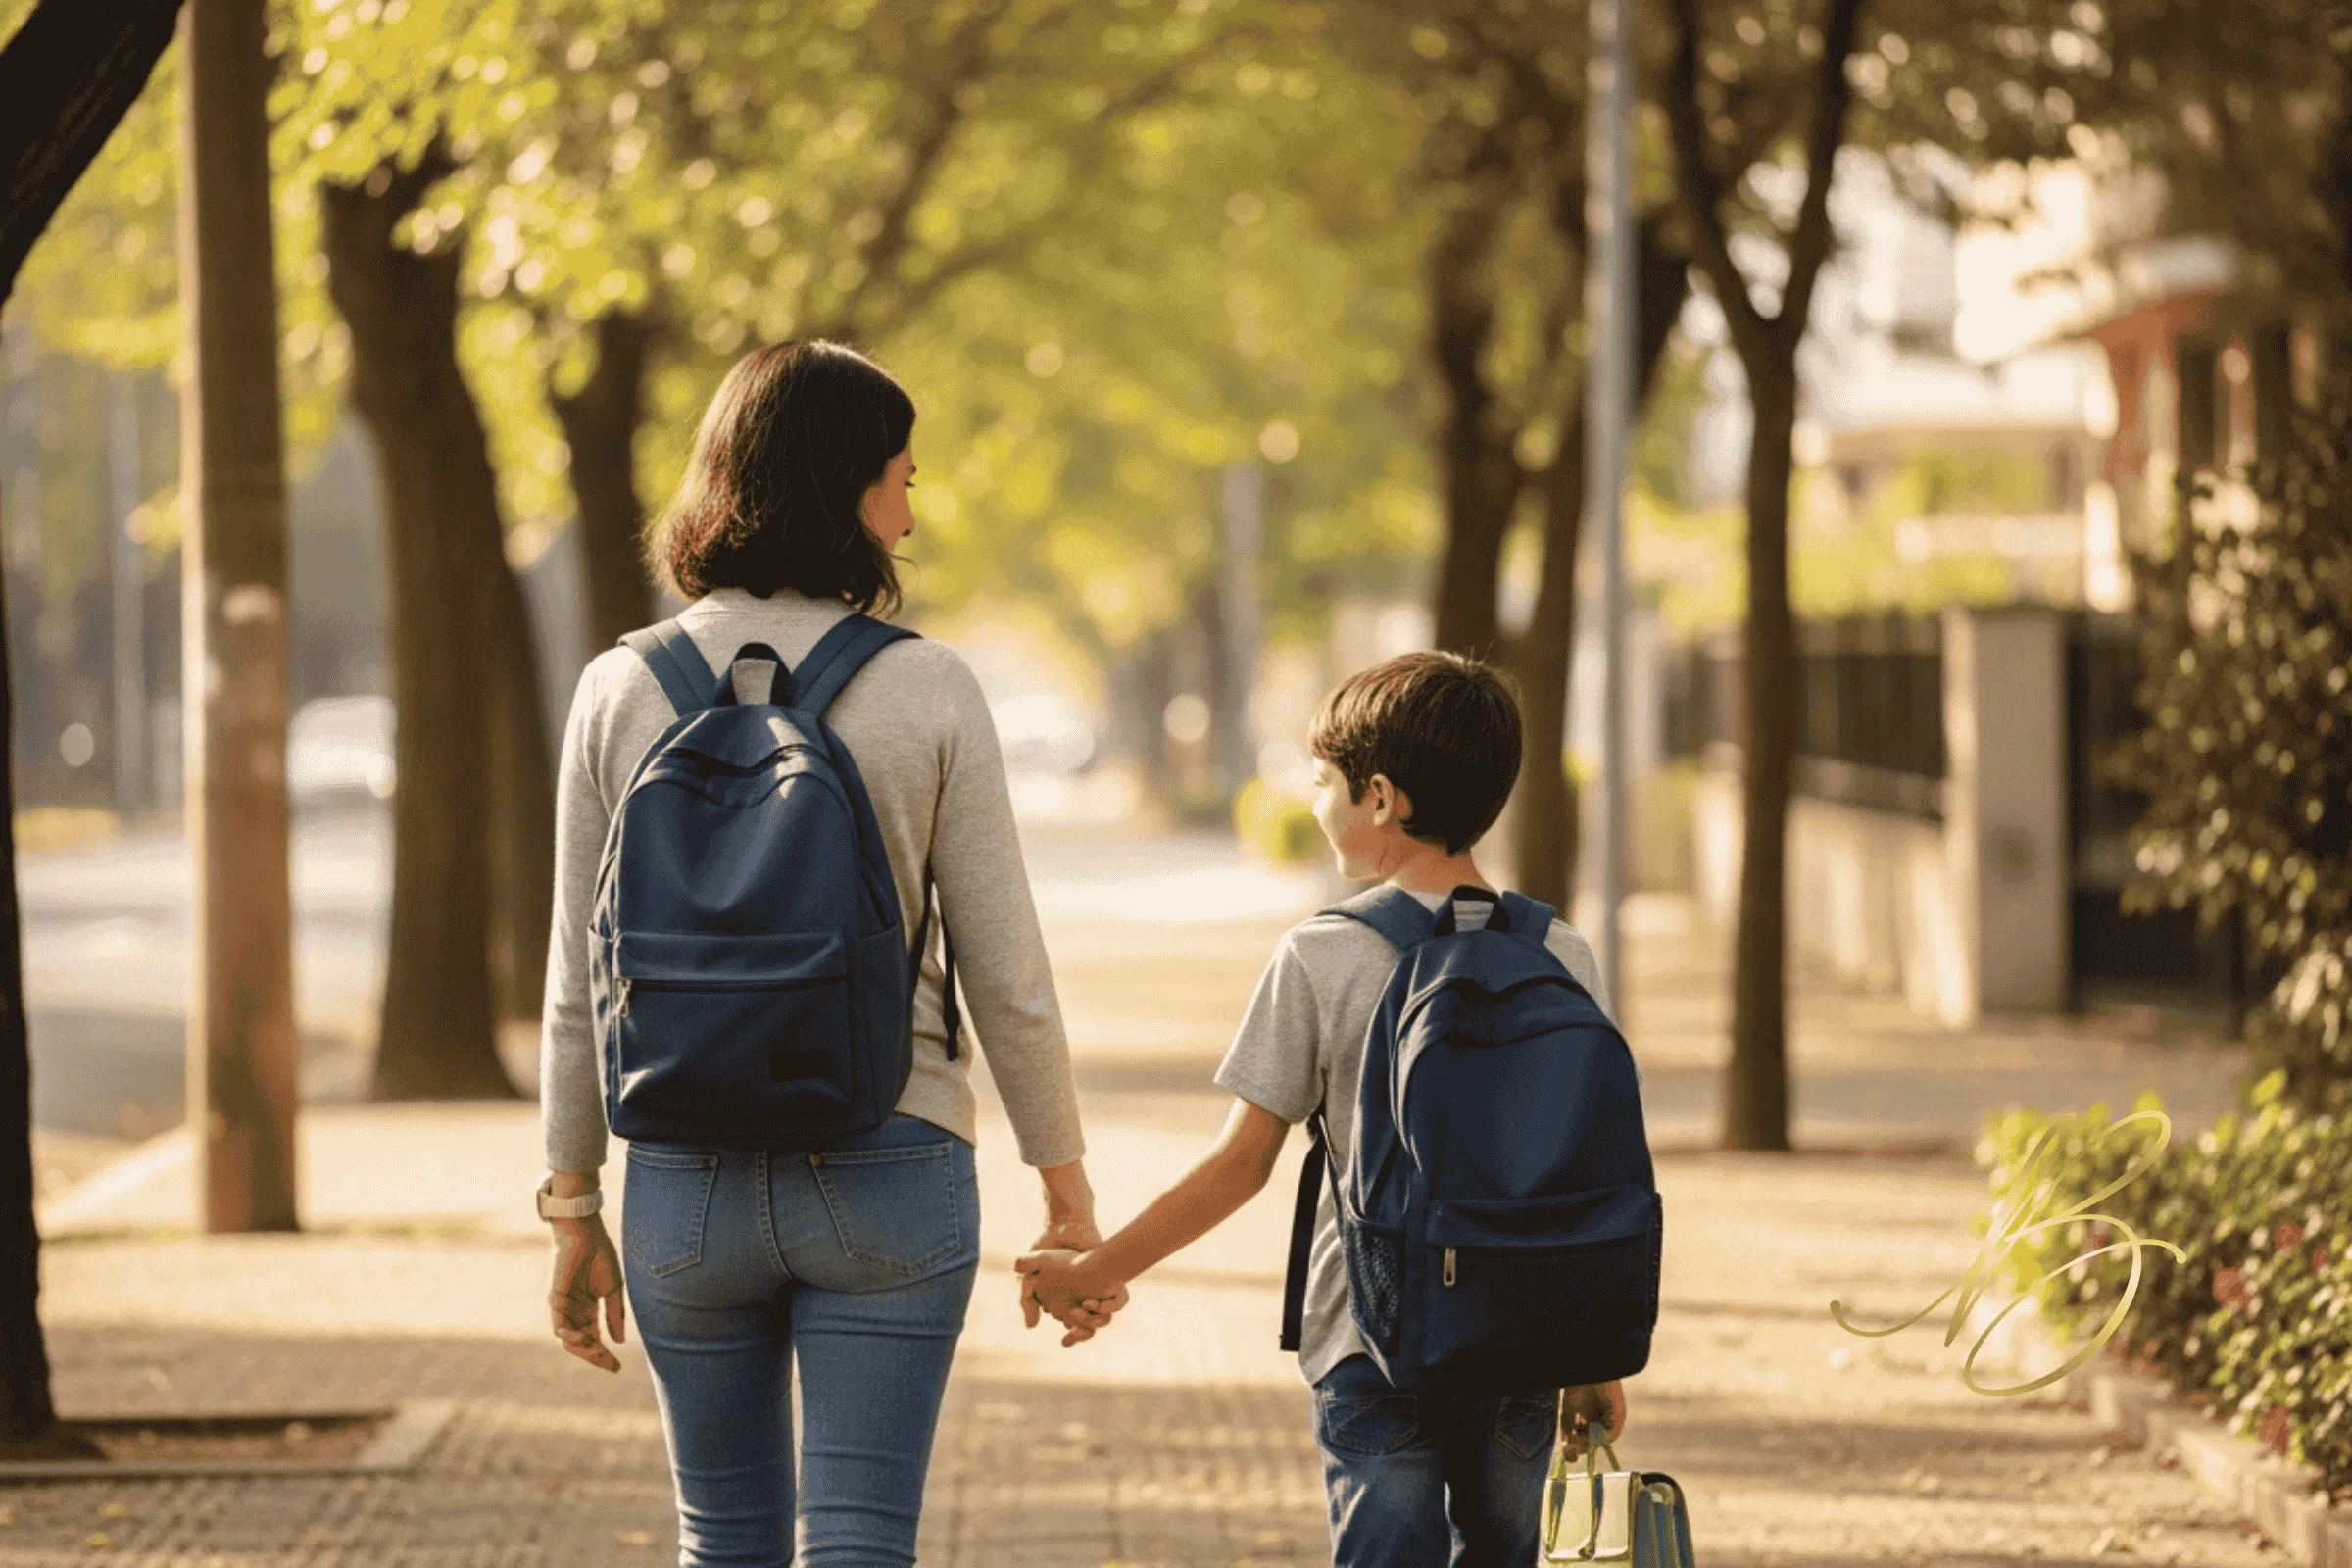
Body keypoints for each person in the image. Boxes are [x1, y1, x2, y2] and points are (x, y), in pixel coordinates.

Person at [535, 339, 1121, 1568]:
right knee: (860, 1541)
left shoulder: (615, 689)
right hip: (890, 1159)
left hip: (684, 1175)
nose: (911, 515)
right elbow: (1003, 968)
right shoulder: (930, 688)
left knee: (722, 1541)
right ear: (846, 489)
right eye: (902, 479)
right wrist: (1064, 1189)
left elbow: (575, 983)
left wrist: (574, 1199)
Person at [1017, 651, 1633, 1568]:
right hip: (1523, 1343)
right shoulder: (1565, 953)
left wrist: (1101, 1266)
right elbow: (1581, 1174)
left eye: (1322, 782)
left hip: (1369, 1341)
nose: (1314, 803)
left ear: (1379, 799)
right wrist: (1595, 1356)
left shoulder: (1322, 956)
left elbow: (1242, 1164)